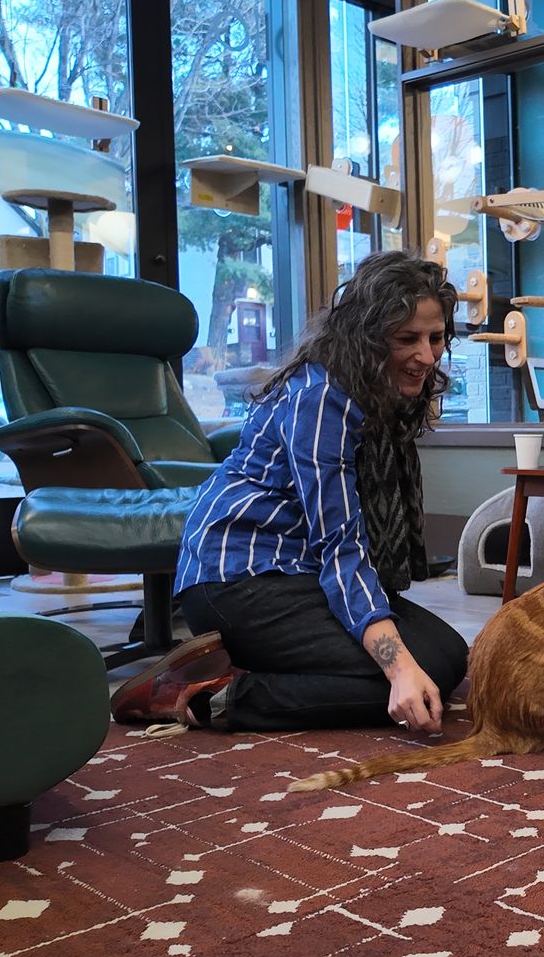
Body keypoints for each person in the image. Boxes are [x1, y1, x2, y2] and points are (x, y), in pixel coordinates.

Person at [110, 251, 469, 733]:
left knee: (447, 655)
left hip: (300, 571)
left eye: (435, 337)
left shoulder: (383, 395)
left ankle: (257, 671)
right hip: (237, 580)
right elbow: (340, 545)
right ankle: (210, 695)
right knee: (413, 672)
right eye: (406, 339)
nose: (426, 356)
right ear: (366, 338)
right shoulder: (323, 398)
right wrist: (398, 667)